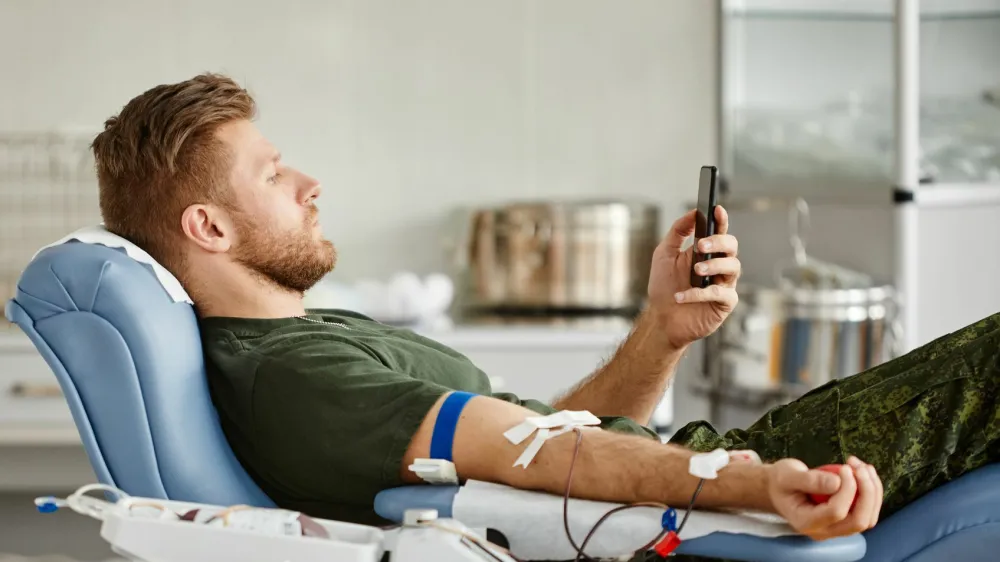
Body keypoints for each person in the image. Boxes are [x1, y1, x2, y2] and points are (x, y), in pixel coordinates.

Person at [90, 73, 999, 551]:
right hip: (726, 509)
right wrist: (757, 485)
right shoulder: (295, 376)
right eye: (274, 174)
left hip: (706, 486)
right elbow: (550, 457)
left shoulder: (313, 337)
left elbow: (546, 437)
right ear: (208, 224)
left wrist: (661, 330)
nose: (309, 183)